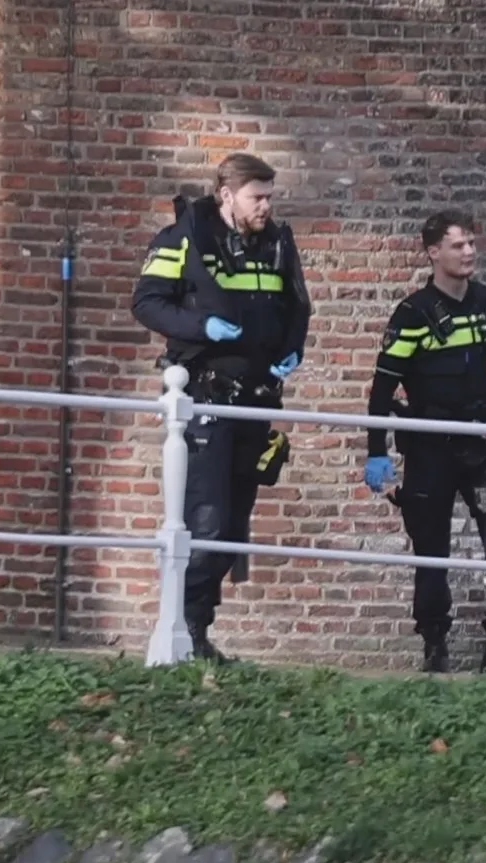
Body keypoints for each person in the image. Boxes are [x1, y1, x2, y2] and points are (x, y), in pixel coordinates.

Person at [132, 152, 311, 662]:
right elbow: (146, 301)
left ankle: (198, 630)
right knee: (206, 521)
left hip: (255, 399)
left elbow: (297, 305)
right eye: (258, 197)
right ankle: (182, 631)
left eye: (270, 197)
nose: (266, 207)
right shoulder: (185, 238)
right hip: (206, 395)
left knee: (234, 529)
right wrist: (199, 328)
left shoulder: (277, 242)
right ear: (226, 195)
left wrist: (292, 349)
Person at [362, 209, 486, 673]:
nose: (468, 253)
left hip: (485, 445)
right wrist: (377, 452)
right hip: (430, 446)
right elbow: (383, 388)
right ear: (433, 252)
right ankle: (435, 646)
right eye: (458, 245)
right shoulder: (413, 313)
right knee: (431, 551)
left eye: (471, 244)